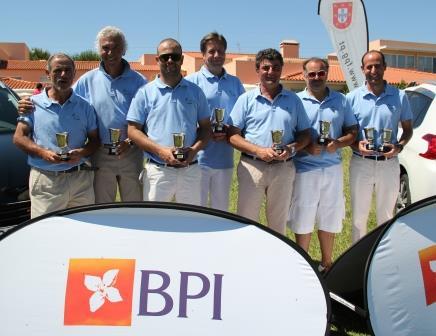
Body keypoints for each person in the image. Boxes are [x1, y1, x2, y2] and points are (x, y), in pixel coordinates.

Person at [18, 26, 147, 204]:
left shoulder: (139, 81)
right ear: (99, 50)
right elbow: (65, 98)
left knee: (135, 205)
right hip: (99, 152)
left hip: (131, 152)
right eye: (105, 48)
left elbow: (147, 118)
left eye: (115, 47)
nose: (110, 52)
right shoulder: (87, 80)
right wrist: (29, 102)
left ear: (124, 49)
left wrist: (130, 141)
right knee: (102, 208)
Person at [227, 48, 311, 235]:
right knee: (246, 221)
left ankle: (275, 262)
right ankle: (247, 260)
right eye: (266, 68)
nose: (271, 72)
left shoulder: (294, 100)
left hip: (283, 168)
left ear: (281, 70)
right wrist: (258, 151)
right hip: (252, 167)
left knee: (278, 223)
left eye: (275, 68)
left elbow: (305, 133)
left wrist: (291, 149)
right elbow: (232, 135)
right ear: (258, 70)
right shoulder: (245, 100)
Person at [288, 57, 358, 271]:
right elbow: (290, 135)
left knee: (330, 214)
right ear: (304, 75)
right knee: (303, 215)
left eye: (320, 73)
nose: (316, 77)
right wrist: (306, 147)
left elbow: (352, 132)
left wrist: (337, 143)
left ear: (327, 73)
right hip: (304, 169)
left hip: (332, 168)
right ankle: (305, 264)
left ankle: (327, 263)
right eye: (311, 74)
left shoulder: (341, 100)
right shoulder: (295, 101)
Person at [13, 53, 99, 218]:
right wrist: (43, 153)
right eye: (58, 70)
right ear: (48, 73)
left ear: (74, 74)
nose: (63, 75)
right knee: (45, 233)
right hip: (47, 181)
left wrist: (81, 153)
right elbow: (19, 137)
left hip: (80, 179)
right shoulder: (32, 104)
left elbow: (95, 140)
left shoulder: (85, 106)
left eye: (68, 70)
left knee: (84, 230)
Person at [127, 38, 211, 205]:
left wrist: (193, 151)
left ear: (181, 59)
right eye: (165, 57)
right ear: (157, 60)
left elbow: (206, 128)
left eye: (174, 56)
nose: (170, 60)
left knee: (191, 222)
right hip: (158, 170)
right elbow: (132, 130)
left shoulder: (196, 92)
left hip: (190, 170)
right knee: (154, 223)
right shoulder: (145, 93)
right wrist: (160, 151)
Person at [347, 50, 413, 243]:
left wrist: (398, 147)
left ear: (385, 67)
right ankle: (358, 260)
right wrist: (355, 144)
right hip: (361, 163)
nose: (373, 70)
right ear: (362, 69)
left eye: (377, 65)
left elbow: (408, 130)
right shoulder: (352, 98)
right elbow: (347, 132)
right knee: (359, 218)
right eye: (369, 66)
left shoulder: (399, 96)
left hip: (389, 163)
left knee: (386, 216)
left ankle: (382, 259)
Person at [185, 32, 244, 211]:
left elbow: (242, 118)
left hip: (224, 159)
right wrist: (204, 130)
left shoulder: (235, 83)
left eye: (220, 51)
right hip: (197, 159)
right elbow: (185, 119)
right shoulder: (190, 82)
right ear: (203, 55)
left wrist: (231, 130)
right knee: (197, 211)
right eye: (212, 51)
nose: (217, 55)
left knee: (221, 211)